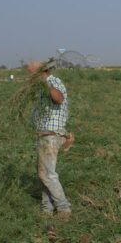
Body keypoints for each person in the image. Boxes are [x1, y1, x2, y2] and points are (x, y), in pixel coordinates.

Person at [27, 60, 73, 219]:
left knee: (47, 174)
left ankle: (64, 208)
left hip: (51, 135)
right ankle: (47, 208)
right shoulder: (42, 85)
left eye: (32, 73)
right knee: (44, 173)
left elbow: (58, 99)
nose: (30, 77)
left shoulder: (52, 82)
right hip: (45, 135)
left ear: (41, 71)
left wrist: (45, 83)